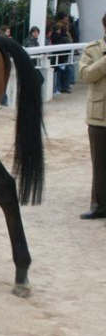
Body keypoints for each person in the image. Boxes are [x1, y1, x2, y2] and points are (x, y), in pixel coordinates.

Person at [78, 13, 106, 220]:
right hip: (99, 116)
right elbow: (85, 75)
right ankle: (99, 206)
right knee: (100, 164)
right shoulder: (93, 50)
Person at [51, 21, 73, 94]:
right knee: (62, 73)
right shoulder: (61, 37)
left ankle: (61, 88)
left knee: (61, 73)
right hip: (61, 58)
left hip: (60, 58)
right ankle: (62, 87)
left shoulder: (57, 36)